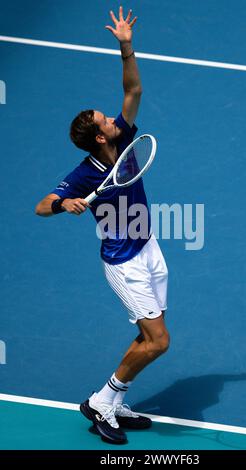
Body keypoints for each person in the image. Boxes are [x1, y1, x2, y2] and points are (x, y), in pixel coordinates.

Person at [35, 6, 169, 445]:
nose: (113, 119)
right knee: (158, 342)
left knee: (145, 336)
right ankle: (100, 401)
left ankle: (111, 403)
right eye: (105, 121)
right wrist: (65, 203)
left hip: (148, 247)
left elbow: (133, 88)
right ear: (99, 137)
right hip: (123, 261)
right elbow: (42, 205)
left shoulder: (126, 137)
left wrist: (126, 47)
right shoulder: (85, 173)